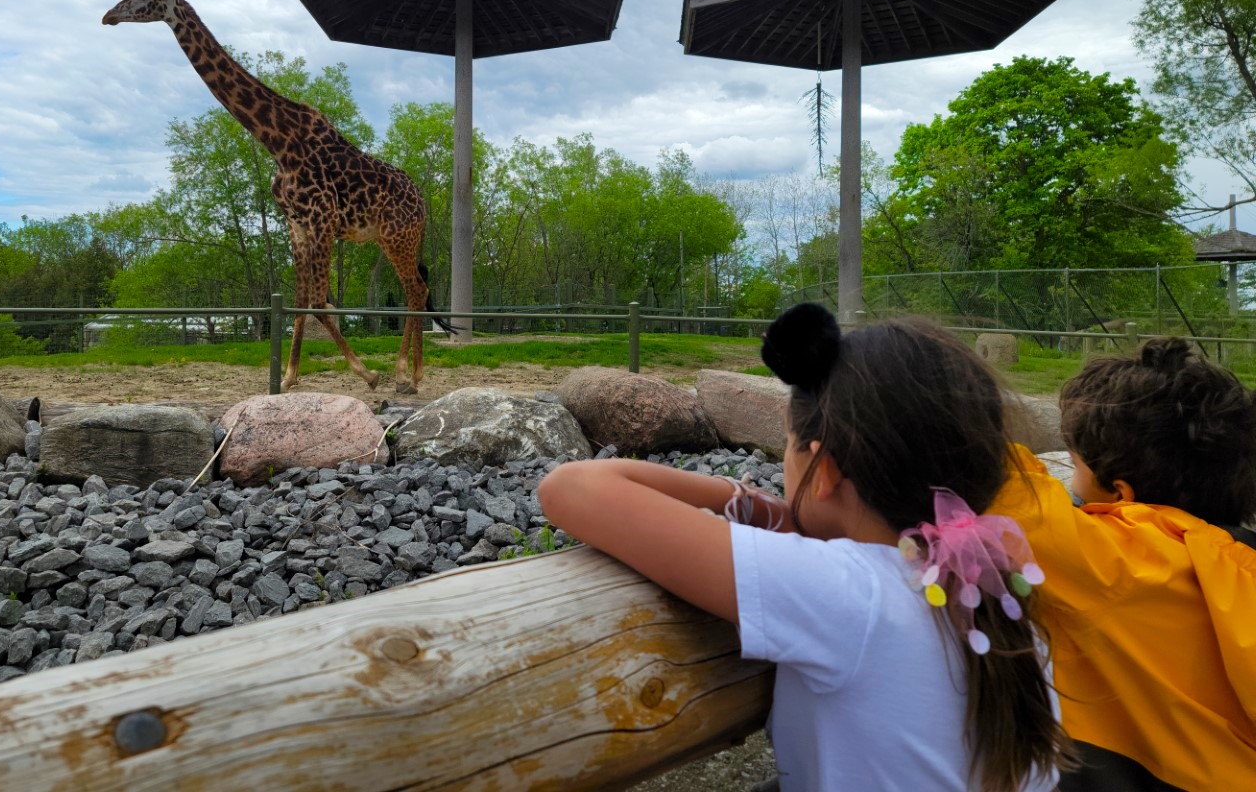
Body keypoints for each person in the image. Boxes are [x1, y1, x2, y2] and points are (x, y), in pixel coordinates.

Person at [538, 304, 1069, 791]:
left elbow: (571, 488)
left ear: (825, 470)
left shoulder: (848, 591)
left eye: (789, 445)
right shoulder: (992, 585)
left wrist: (747, 500)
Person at [992, 337, 1256, 790]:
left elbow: (989, 479)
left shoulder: (1122, 561)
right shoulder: (1237, 561)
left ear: (1121, 495)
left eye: (1073, 467)